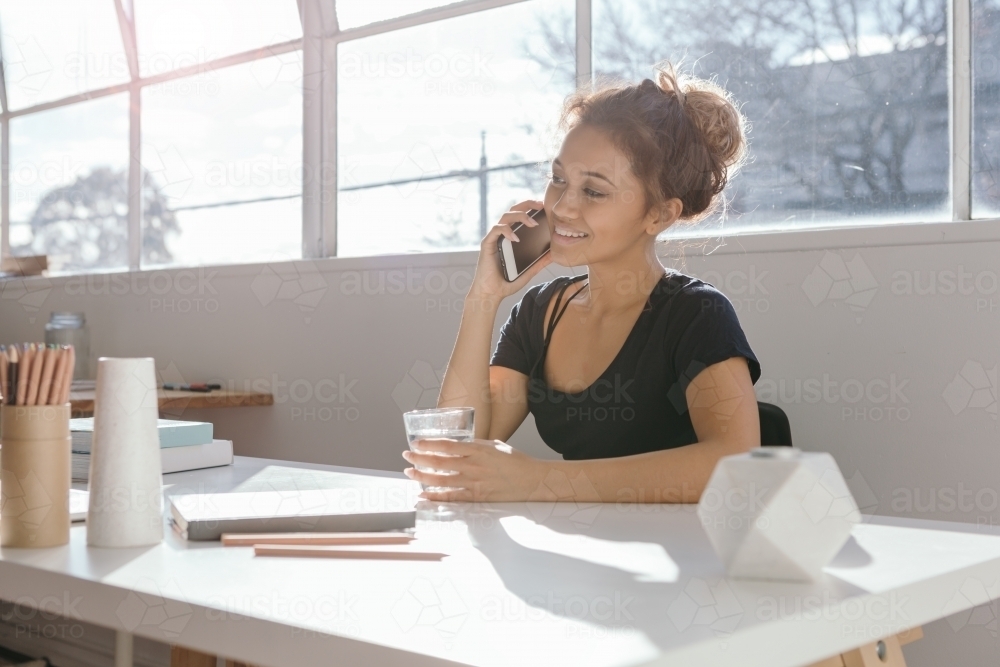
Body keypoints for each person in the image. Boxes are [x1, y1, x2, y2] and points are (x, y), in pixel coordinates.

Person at [402, 62, 762, 504]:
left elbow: (736, 465)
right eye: (558, 180)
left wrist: (538, 481)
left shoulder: (696, 314)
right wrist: (483, 298)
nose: (563, 207)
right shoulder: (539, 313)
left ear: (659, 214)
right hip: (582, 551)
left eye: (593, 192)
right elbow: (462, 449)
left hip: (686, 560)